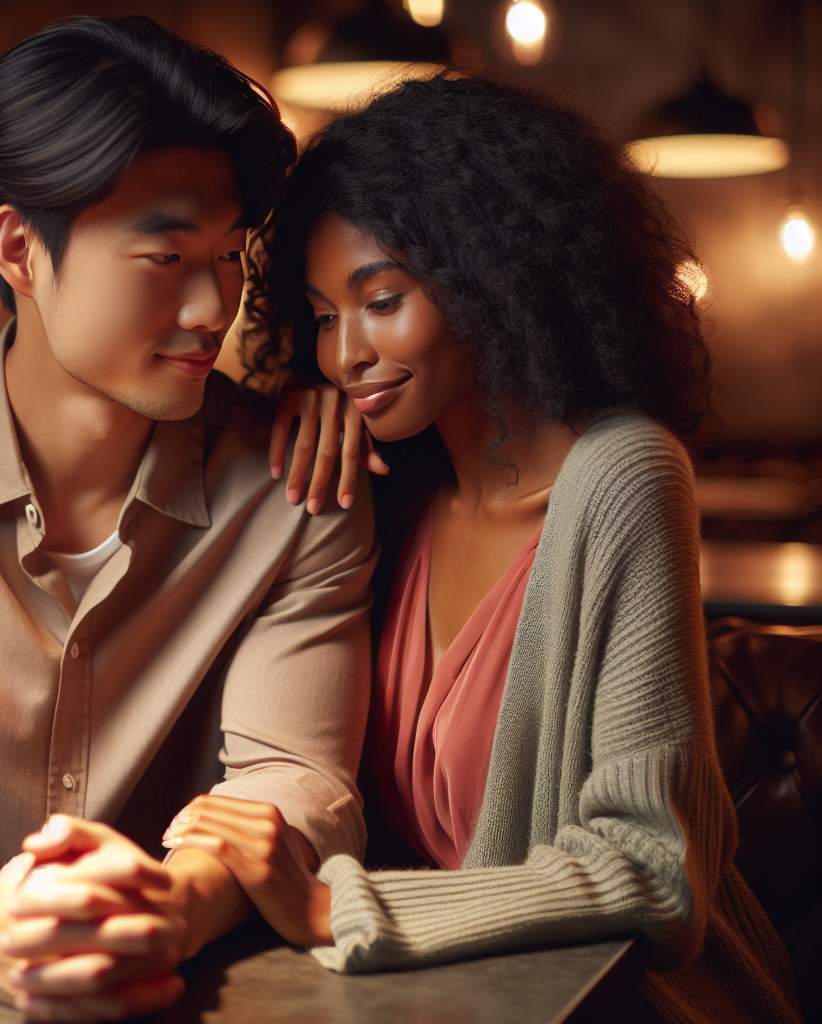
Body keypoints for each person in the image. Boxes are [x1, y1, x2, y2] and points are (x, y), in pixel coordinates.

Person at [160, 75, 802, 1024]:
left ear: (492, 273)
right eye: (324, 317)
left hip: (630, 1002)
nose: (348, 356)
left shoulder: (623, 475)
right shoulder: (388, 490)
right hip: (443, 995)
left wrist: (331, 903)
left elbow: (653, 872)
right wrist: (298, 410)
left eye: (382, 301)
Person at [0, 17, 378, 1021]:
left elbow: (297, 782)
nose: (213, 308)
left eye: (231, 256)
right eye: (164, 257)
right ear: (19, 248)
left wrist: (168, 904)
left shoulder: (296, 489)